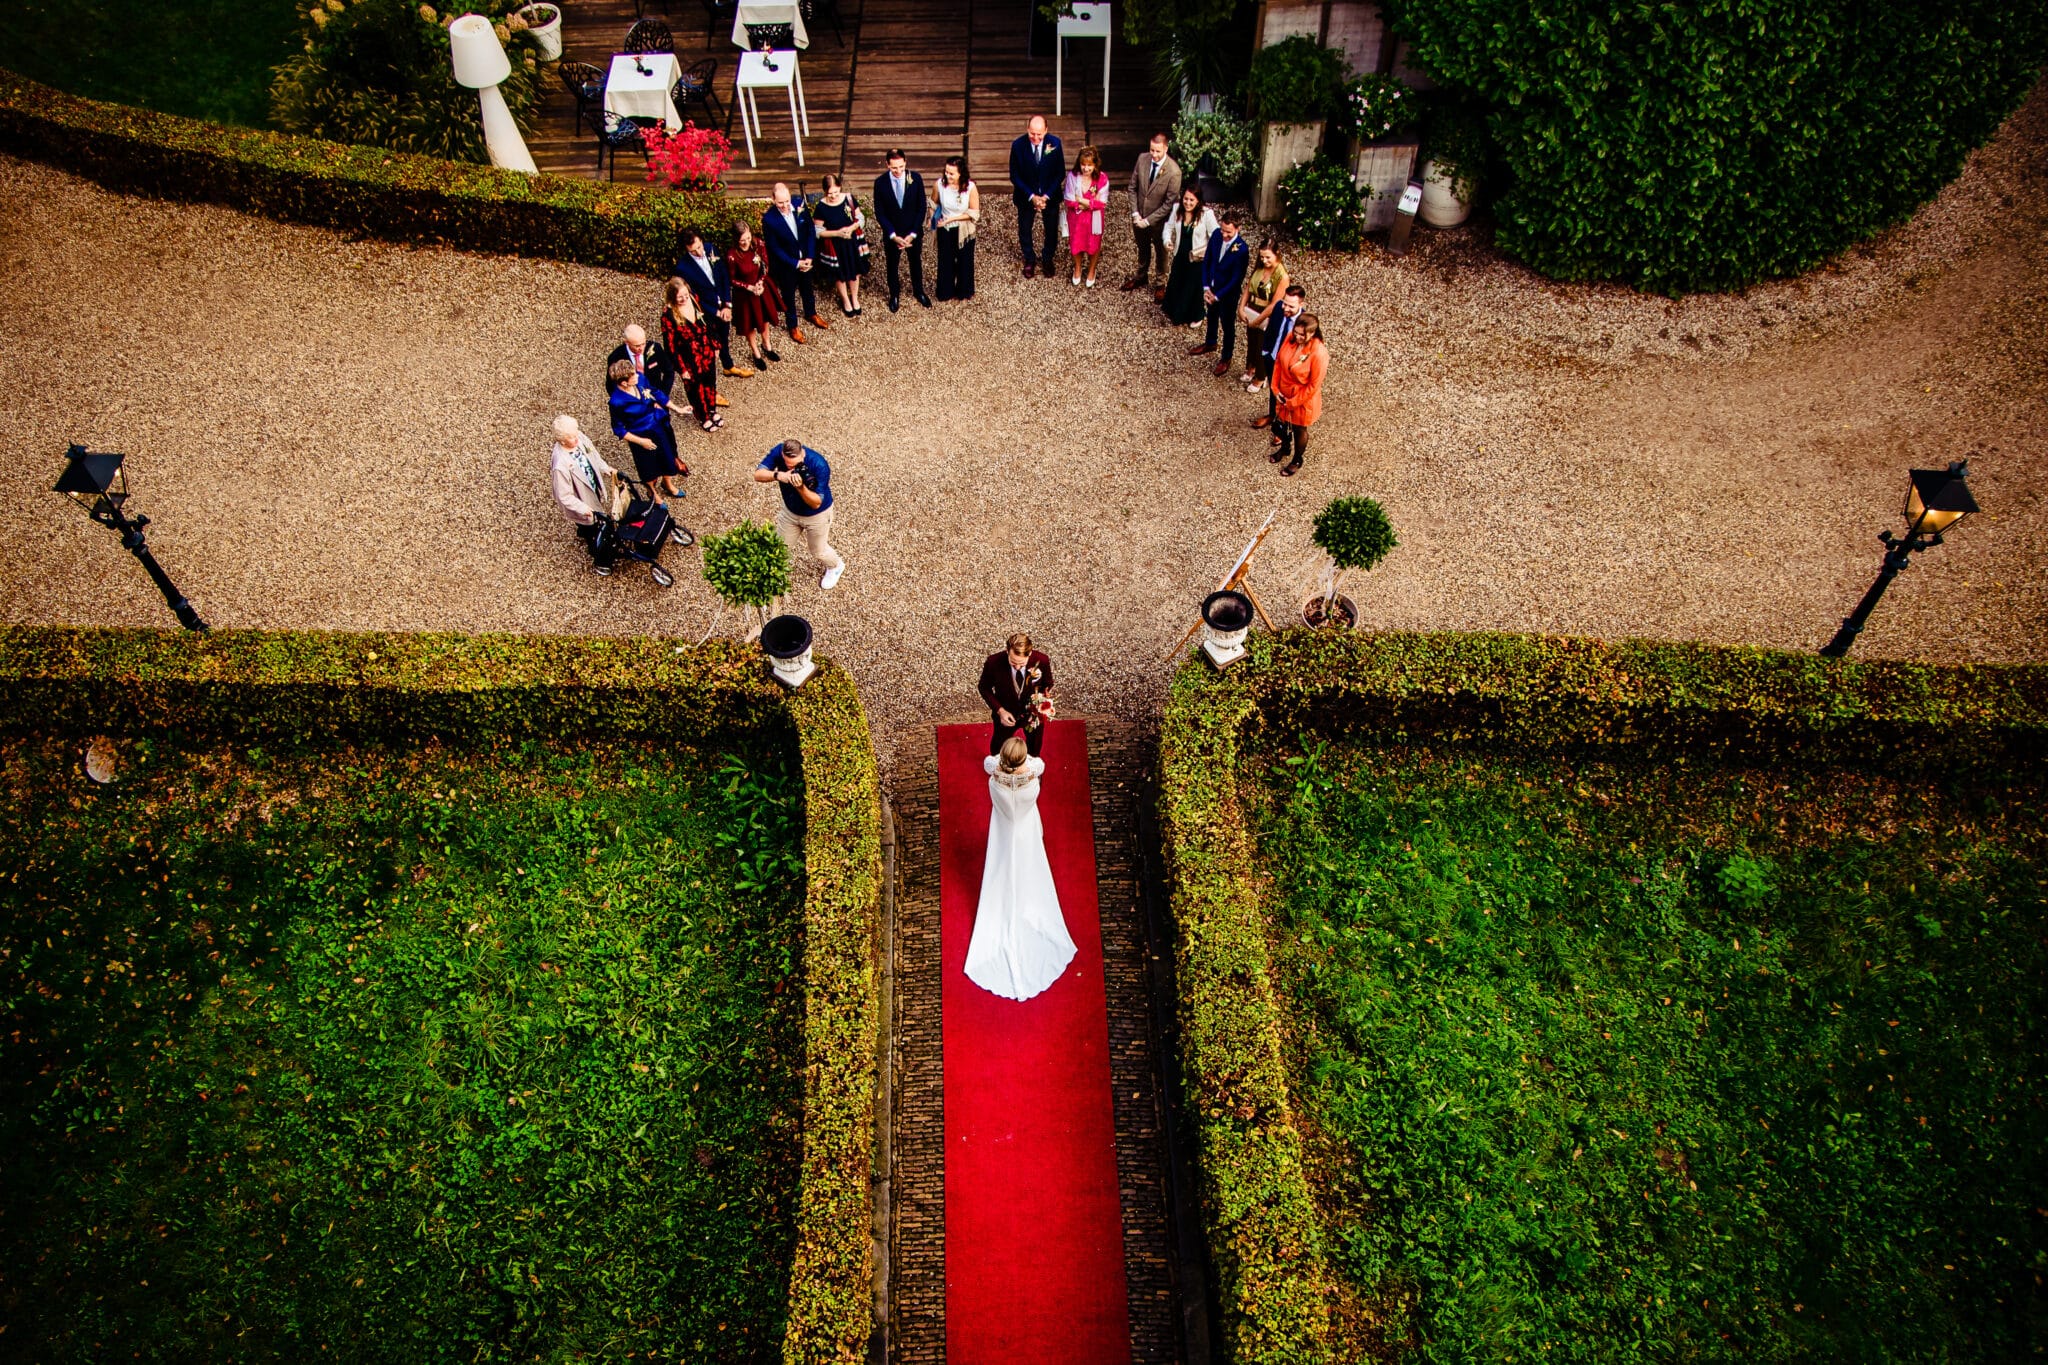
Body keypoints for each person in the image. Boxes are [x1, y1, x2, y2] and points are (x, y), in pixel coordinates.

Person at [965, 732, 1076, 1003]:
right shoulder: (1033, 771)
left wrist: (1005, 760)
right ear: (1021, 758)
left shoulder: (994, 771)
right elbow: (1039, 764)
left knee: (1001, 865)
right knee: (1030, 865)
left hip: (1003, 827)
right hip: (1025, 825)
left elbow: (988, 761)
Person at [752, 437, 846, 590]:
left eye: (796, 465)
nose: (792, 469)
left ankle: (836, 566)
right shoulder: (778, 451)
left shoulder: (819, 464)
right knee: (779, 547)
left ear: (803, 454)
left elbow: (816, 503)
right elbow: (758, 474)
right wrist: (778, 475)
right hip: (790, 512)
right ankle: (778, 575)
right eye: (788, 465)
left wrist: (801, 487)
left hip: (817, 515)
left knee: (818, 550)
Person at [607, 358, 690, 511]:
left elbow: (656, 393)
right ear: (624, 383)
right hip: (640, 436)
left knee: (667, 457)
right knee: (649, 469)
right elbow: (619, 429)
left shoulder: (641, 379)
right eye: (633, 376)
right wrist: (641, 441)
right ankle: (652, 493)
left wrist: (677, 409)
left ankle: (668, 484)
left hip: (657, 426)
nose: (637, 376)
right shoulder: (616, 402)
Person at [673, 228, 753, 381]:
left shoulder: (711, 249)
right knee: (710, 345)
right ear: (686, 249)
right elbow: (693, 296)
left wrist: (727, 304)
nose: (699, 252)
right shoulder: (683, 268)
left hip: (722, 304)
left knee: (724, 335)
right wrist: (715, 312)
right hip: (705, 311)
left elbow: (723, 276)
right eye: (693, 250)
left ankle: (728, 366)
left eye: (699, 246)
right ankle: (710, 382)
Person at [549, 414, 623, 575]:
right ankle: (600, 560)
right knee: (594, 531)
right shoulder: (561, 465)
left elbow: (593, 455)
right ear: (562, 440)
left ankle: (583, 530)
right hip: (582, 502)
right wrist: (584, 509)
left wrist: (605, 468)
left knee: (593, 519)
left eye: (576, 434)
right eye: (571, 437)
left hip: (592, 487)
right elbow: (564, 496)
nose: (576, 438)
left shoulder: (578, 437)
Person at [762, 182, 829, 343]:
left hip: (806, 258)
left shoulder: (800, 205)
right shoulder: (769, 219)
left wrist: (810, 257)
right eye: (780, 203)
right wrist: (795, 263)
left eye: (787, 201)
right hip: (787, 265)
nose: (785, 206)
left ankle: (811, 312)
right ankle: (792, 325)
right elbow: (774, 248)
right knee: (789, 296)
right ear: (773, 199)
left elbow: (810, 232)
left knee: (807, 288)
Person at [1190, 210, 1250, 375]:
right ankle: (1210, 342)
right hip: (1212, 288)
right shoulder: (1216, 234)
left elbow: (1236, 279)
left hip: (1227, 294)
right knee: (1211, 316)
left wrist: (1218, 295)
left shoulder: (1242, 250)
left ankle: (1226, 357)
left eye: (1228, 232)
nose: (1224, 234)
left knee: (1228, 325)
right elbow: (1208, 259)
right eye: (1222, 230)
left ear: (1238, 228)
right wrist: (1206, 287)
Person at [870, 149, 930, 312]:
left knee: (915, 262)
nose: (898, 171)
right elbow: (880, 212)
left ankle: (919, 291)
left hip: (912, 233)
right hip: (893, 234)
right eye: (894, 168)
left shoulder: (916, 179)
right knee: (892, 265)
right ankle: (894, 294)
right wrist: (892, 235)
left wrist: (913, 233)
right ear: (887, 165)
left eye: (901, 167)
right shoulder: (880, 183)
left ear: (905, 163)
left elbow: (921, 207)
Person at [977, 632, 1054, 758]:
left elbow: (1048, 683)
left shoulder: (1042, 660)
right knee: (998, 746)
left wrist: (1038, 706)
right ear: (1007, 651)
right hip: (1006, 713)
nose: (1017, 667)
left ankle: (1032, 770)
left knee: (1034, 746)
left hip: (1032, 715)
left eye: (1022, 664)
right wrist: (1000, 711)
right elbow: (984, 687)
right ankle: (998, 768)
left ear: (1029, 654)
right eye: (1013, 663)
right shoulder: (993, 662)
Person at [1121, 132, 1182, 292]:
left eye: (1158, 151)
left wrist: (1148, 220)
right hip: (1139, 216)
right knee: (1142, 248)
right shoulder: (1142, 159)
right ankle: (1141, 276)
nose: (1154, 155)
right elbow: (1132, 188)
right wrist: (1135, 213)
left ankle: (1160, 284)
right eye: (1152, 150)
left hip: (1160, 222)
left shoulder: (1174, 172)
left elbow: (1169, 203)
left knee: (1161, 254)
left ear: (1166, 149)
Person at [661, 276, 722, 432]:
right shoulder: (668, 316)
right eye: (679, 297)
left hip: (706, 351)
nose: (684, 299)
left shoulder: (694, 300)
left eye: (685, 296)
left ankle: (712, 409)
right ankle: (703, 416)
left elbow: (707, 323)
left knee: (710, 381)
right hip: (689, 358)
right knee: (695, 388)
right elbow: (670, 346)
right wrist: (682, 369)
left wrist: (715, 345)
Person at [1270, 312, 1328, 478]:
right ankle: (1285, 448)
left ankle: (1297, 459)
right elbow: (1279, 364)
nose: (1297, 336)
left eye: (1301, 334)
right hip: (1284, 393)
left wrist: (1293, 402)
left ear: (1312, 333)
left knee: (1299, 429)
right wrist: (1276, 389)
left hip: (1302, 399)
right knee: (1283, 423)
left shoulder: (1319, 353)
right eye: (1296, 332)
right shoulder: (1291, 338)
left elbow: (1313, 386)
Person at [1008, 115, 1064, 279]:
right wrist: (1031, 196)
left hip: (1050, 195)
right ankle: (1030, 259)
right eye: (1032, 133)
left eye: (1039, 134)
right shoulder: (1018, 146)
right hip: (1026, 195)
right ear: (1027, 129)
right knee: (1025, 229)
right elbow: (1014, 175)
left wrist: (1046, 196)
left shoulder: (1055, 143)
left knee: (1051, 229)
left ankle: (1047, 258)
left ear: (1046, 130)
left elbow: (1060, 172)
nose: (1036, 138)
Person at [727, 221, 785, 368]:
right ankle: (756, 353)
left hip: (761, 288)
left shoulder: (758, 244)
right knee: (749, 324)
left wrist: (760, 282)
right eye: (742, 240)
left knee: (765, 318)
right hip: (745, 295)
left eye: (748, 238)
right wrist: (749, 287)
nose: (746, 242)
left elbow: (765, 264)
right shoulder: (732, 255)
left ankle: (767, 345)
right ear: (736, 239)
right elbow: (731, 279)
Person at [1251, 284, 1307, 434]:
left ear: (1301, 304)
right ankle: (1272, 415)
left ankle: (1283, 428)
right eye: (1285, 303)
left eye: (1291, 306)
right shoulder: (1278, 308)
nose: (1285, 308)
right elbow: (1270, 329)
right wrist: (1265, 351)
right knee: (1273, 388)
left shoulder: (1305, 322)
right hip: (1272, 356)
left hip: (1288, 365)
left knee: (1286, 396)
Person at [1159, 186, 1217, 326]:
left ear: (1198, 201)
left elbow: (1216, 235)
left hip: (1197, 258)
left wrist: (1208, 252)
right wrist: (1167, 241)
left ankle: (1197, 315)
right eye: (1186, 199)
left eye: (1192, 200)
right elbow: (1168, 227)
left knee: (1193, 286)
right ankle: (1174, 309)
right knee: (1177, 280)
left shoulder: (1206, 214)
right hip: (1180, 254)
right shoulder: (1177, 209)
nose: (1188, 203)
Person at [1238, 238, 1290, 390]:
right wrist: (1241, 307)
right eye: (1262, 257)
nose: (1264, 260)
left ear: (1277, 255)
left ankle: (1261, 377)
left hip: (1267, 314)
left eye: (1268, 257)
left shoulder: (1282, 276)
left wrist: (1258, 320)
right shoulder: (1259, 268)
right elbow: (1248, 288)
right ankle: (1251, 367)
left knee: (1262, 344)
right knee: (1252, 342)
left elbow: (1274, 304)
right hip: (1252, 307)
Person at [813, 173, 867, 317]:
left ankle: (855, 298)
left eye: (836, 192)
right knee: (839, 274)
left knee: (854, 271)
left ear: (840, 187)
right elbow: (817, 231)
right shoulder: (821, 207)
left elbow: (860, 218)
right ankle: (845, 300)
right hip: (835, 246)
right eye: (830, 193)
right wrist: (837, 233)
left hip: (851, 242)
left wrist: (851, 228)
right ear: (825, 191)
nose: (834, 196)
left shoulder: (848, 198)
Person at [932, 156, 981, 302]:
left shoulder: (971, 188)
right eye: (946, 172)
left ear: (961, 173)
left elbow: (974, 213)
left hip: (963, 230)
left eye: (951, 173)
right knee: (945, 261)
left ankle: (964, 291)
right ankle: (945, 291)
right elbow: (933, 203)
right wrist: (932, 218)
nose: (948, 176)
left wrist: (952, 219)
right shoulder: (939, 184)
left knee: (965, 261)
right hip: (945, 229)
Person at [1061, 144, 1109, 287]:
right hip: (1076, 218)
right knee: (1076, 242)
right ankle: (1077, 268)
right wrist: (1089, 203)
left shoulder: (1102, 178)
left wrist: (1082, 201)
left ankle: (1091, 269)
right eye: (1083, 164)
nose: (1085, 168)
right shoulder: (1072, 176)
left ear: (1095, 164)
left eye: (1089, 165)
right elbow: (1069, 200)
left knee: (1094, 243)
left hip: (1094, 219)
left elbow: (1102, 203)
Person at [604, 323, 676, 400]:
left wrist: (662, 397)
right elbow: (611, 385)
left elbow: (669, 372)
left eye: (643, 344)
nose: (641, 348)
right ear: (627, 342)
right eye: (637, 346)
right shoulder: (616, 357)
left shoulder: (655, 348)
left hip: (656, 399)